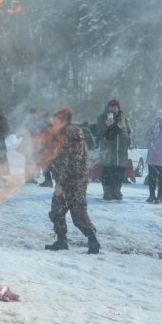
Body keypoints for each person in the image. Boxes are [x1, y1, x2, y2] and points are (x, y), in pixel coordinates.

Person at [44, 107, 99, 254]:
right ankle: (91, 238)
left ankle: (63, 240)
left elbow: (63, 162)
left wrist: (59, 184)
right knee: (78, 212)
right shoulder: (78, 135)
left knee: (58, 210)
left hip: (68, 180)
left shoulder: (64, 136)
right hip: (79, 180)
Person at [95, 99, 131, 201]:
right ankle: (107, 192)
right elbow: (98, 132)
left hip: (121, 152)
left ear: (118, 108)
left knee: (119, 173)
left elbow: (128, 131)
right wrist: (106, 125)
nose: (113, 108)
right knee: (107, 173)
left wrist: (128, 140)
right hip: (108, 151)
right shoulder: (102, 117)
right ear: (108, 107)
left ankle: (116, 191)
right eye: (111, 106)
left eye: (115, 106)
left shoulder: (123, 118)